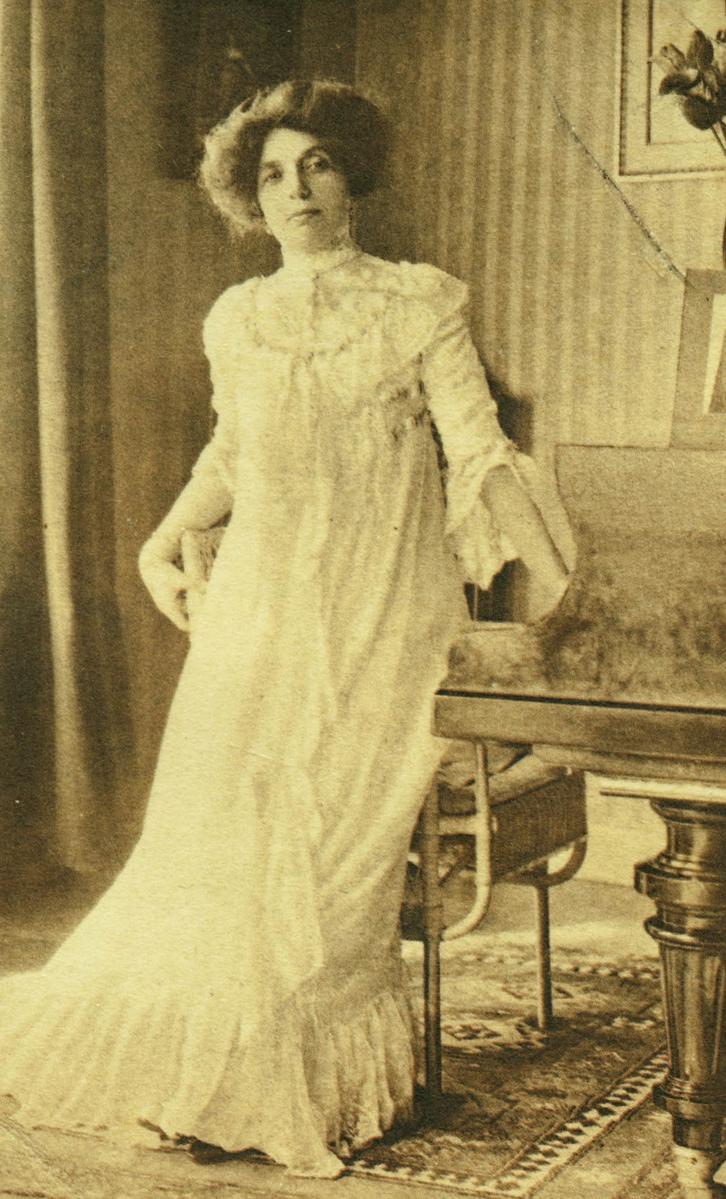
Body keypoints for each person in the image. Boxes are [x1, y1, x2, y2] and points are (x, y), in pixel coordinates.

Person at [0, 80, 568, 1179]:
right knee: (218, 840)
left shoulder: (420, 301)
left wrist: (561, 593)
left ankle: (284, 1078)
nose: (296, 189)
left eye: (316, 164)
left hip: (380, 611)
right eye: (271, 174)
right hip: (261, 608)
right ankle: (207, 1076)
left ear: (353, 177)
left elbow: (479, 449)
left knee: (326, 860)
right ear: (248, 199)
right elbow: (234, 453)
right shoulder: (238, 316)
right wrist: (163, 537)